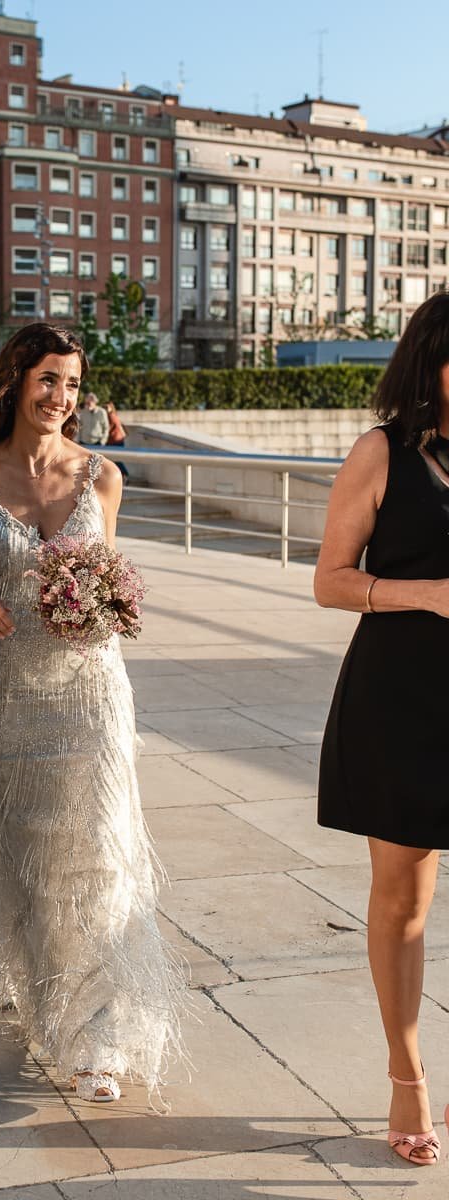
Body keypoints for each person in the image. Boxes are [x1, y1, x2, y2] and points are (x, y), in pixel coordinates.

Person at [0, 323, 184, 1104]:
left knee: (100, 859)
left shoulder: (102, 477)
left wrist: (103, 606)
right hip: (6, 696)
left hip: (90, 696)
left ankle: (102, 1039)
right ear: (16, 381)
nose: (61, 398)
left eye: (73, 385)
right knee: (29, 865)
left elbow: (110, 580)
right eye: (48, 380)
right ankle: (48, 995)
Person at [315, 291, 449, 1167]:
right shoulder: (383, 452)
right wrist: (428, 595)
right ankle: (408, 1078)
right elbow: (330, 579)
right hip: (404, 697)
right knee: (404, 897)